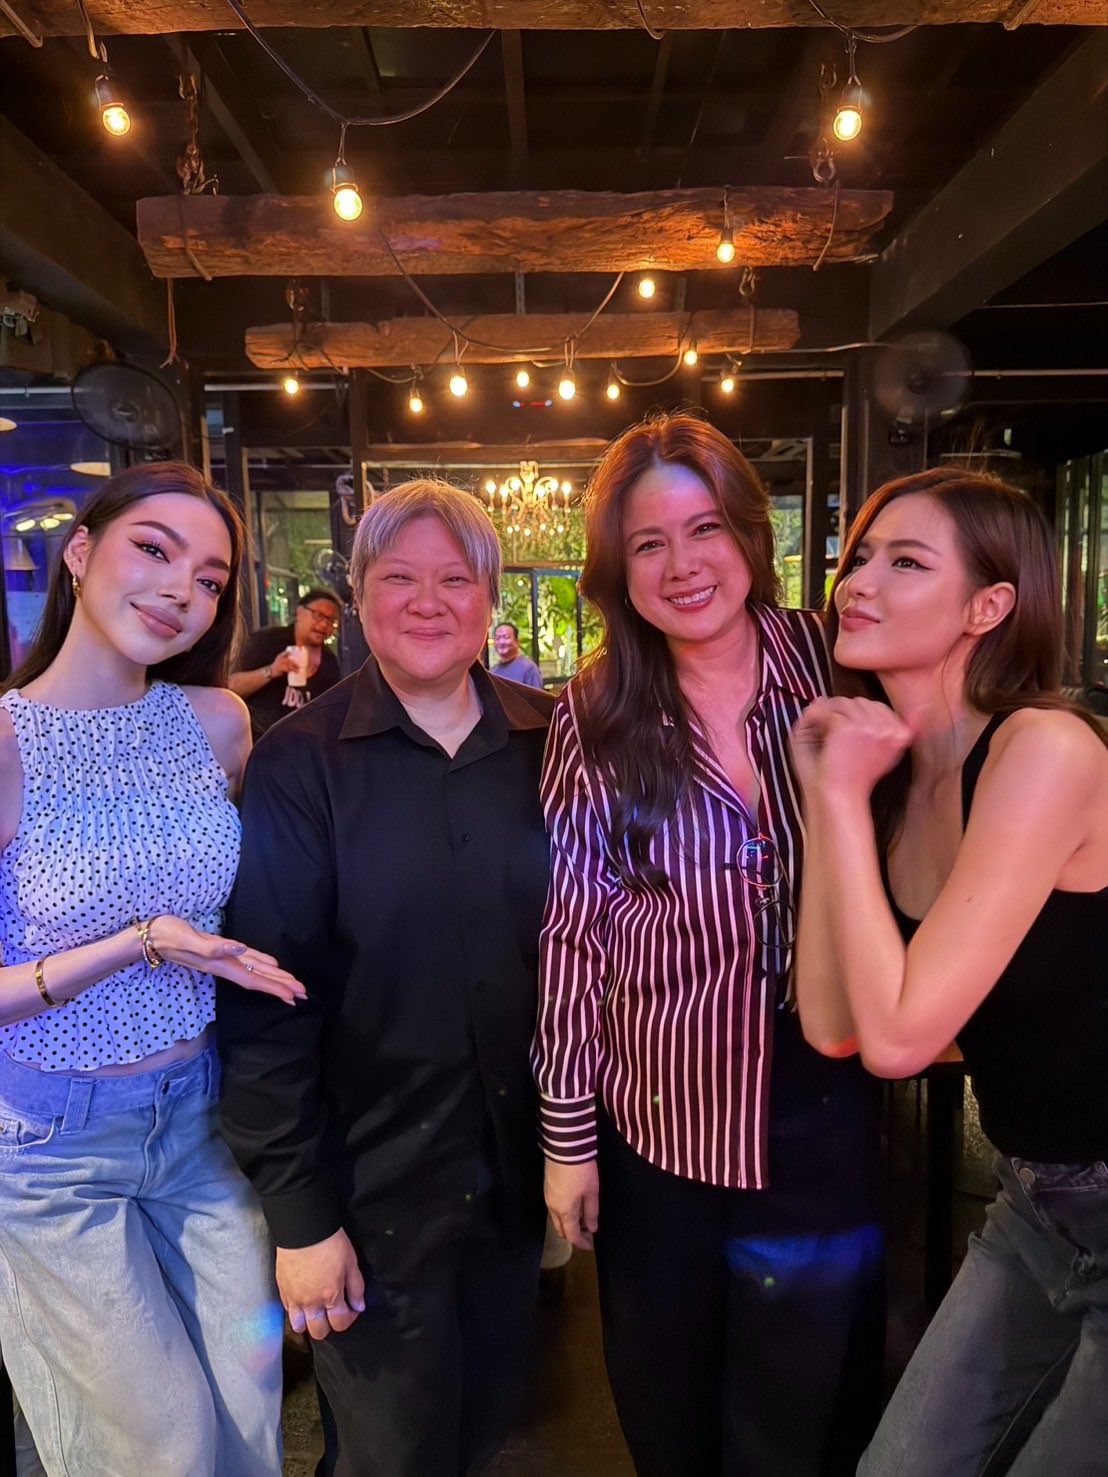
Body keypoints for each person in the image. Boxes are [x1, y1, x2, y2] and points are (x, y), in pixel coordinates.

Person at [533, 411, 885, 1477]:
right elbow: (571, 931)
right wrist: (567, 1139)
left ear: (746, 533)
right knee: (669, 1408)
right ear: (618, 569)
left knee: (805, 1412)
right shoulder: (596, 709)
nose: (682, 565)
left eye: (704, 530)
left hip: (825, 1102)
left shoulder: (835, 660)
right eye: (648, 543)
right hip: (661, 1119)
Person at [218, 479, 554, 1477]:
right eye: (399, 577)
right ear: (359, 595)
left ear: (490, 598)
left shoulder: (548, 742)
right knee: (387, 1455)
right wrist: (301, 1217)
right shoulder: (300, 761)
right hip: (367, 1189)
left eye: (456, 579)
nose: (428, 601)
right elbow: (266, 999)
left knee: (482, 1430)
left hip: (512, 1177)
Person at [789, 466, 1108, 1476]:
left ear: (988, 606)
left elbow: (897, 1040)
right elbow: (831, 1022)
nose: (858, 581)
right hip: (1036, 1201)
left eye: (907, 562)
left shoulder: (1044, 748)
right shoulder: (892, 777)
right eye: (860, 557)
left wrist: (837, 797)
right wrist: (830, 799)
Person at [0, 461, 304, 1477]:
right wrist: (139, 942)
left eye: (210, 579)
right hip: (53, 1142)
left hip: (201, 1115)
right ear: (80, 553)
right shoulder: (7, 741)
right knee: (160, 1444)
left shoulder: (216, 722)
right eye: (154, 550)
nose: (183, 590)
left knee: (251, 1416)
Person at [230, 587, 342, 737]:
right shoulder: (266, 641)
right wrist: (271, 671)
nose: (324, 625)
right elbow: (231, 686)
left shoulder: (329, 662)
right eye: (319, 615)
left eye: (331, 621)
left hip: (304, 744)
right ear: (299, 612)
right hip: (260, 740)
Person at [490, 621, 543, 688]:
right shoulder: (493, 671)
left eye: (506, 637)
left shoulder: (529, 669)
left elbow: (536, 694)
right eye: (498, 638)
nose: (501, 642)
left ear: (517, 642)